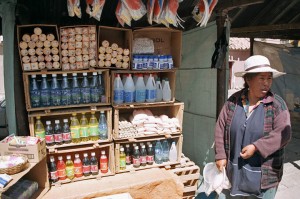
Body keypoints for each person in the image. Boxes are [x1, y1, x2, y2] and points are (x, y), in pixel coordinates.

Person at [214, 55, 292, 199]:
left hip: (265, 177)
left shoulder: (276, 105)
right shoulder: (233, 102)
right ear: (248, 79)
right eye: (262, 78)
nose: (266, 83)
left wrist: (256, 147)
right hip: (235, 172)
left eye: (269, 78)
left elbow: (283, 134)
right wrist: (220, 155)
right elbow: (221, 127)